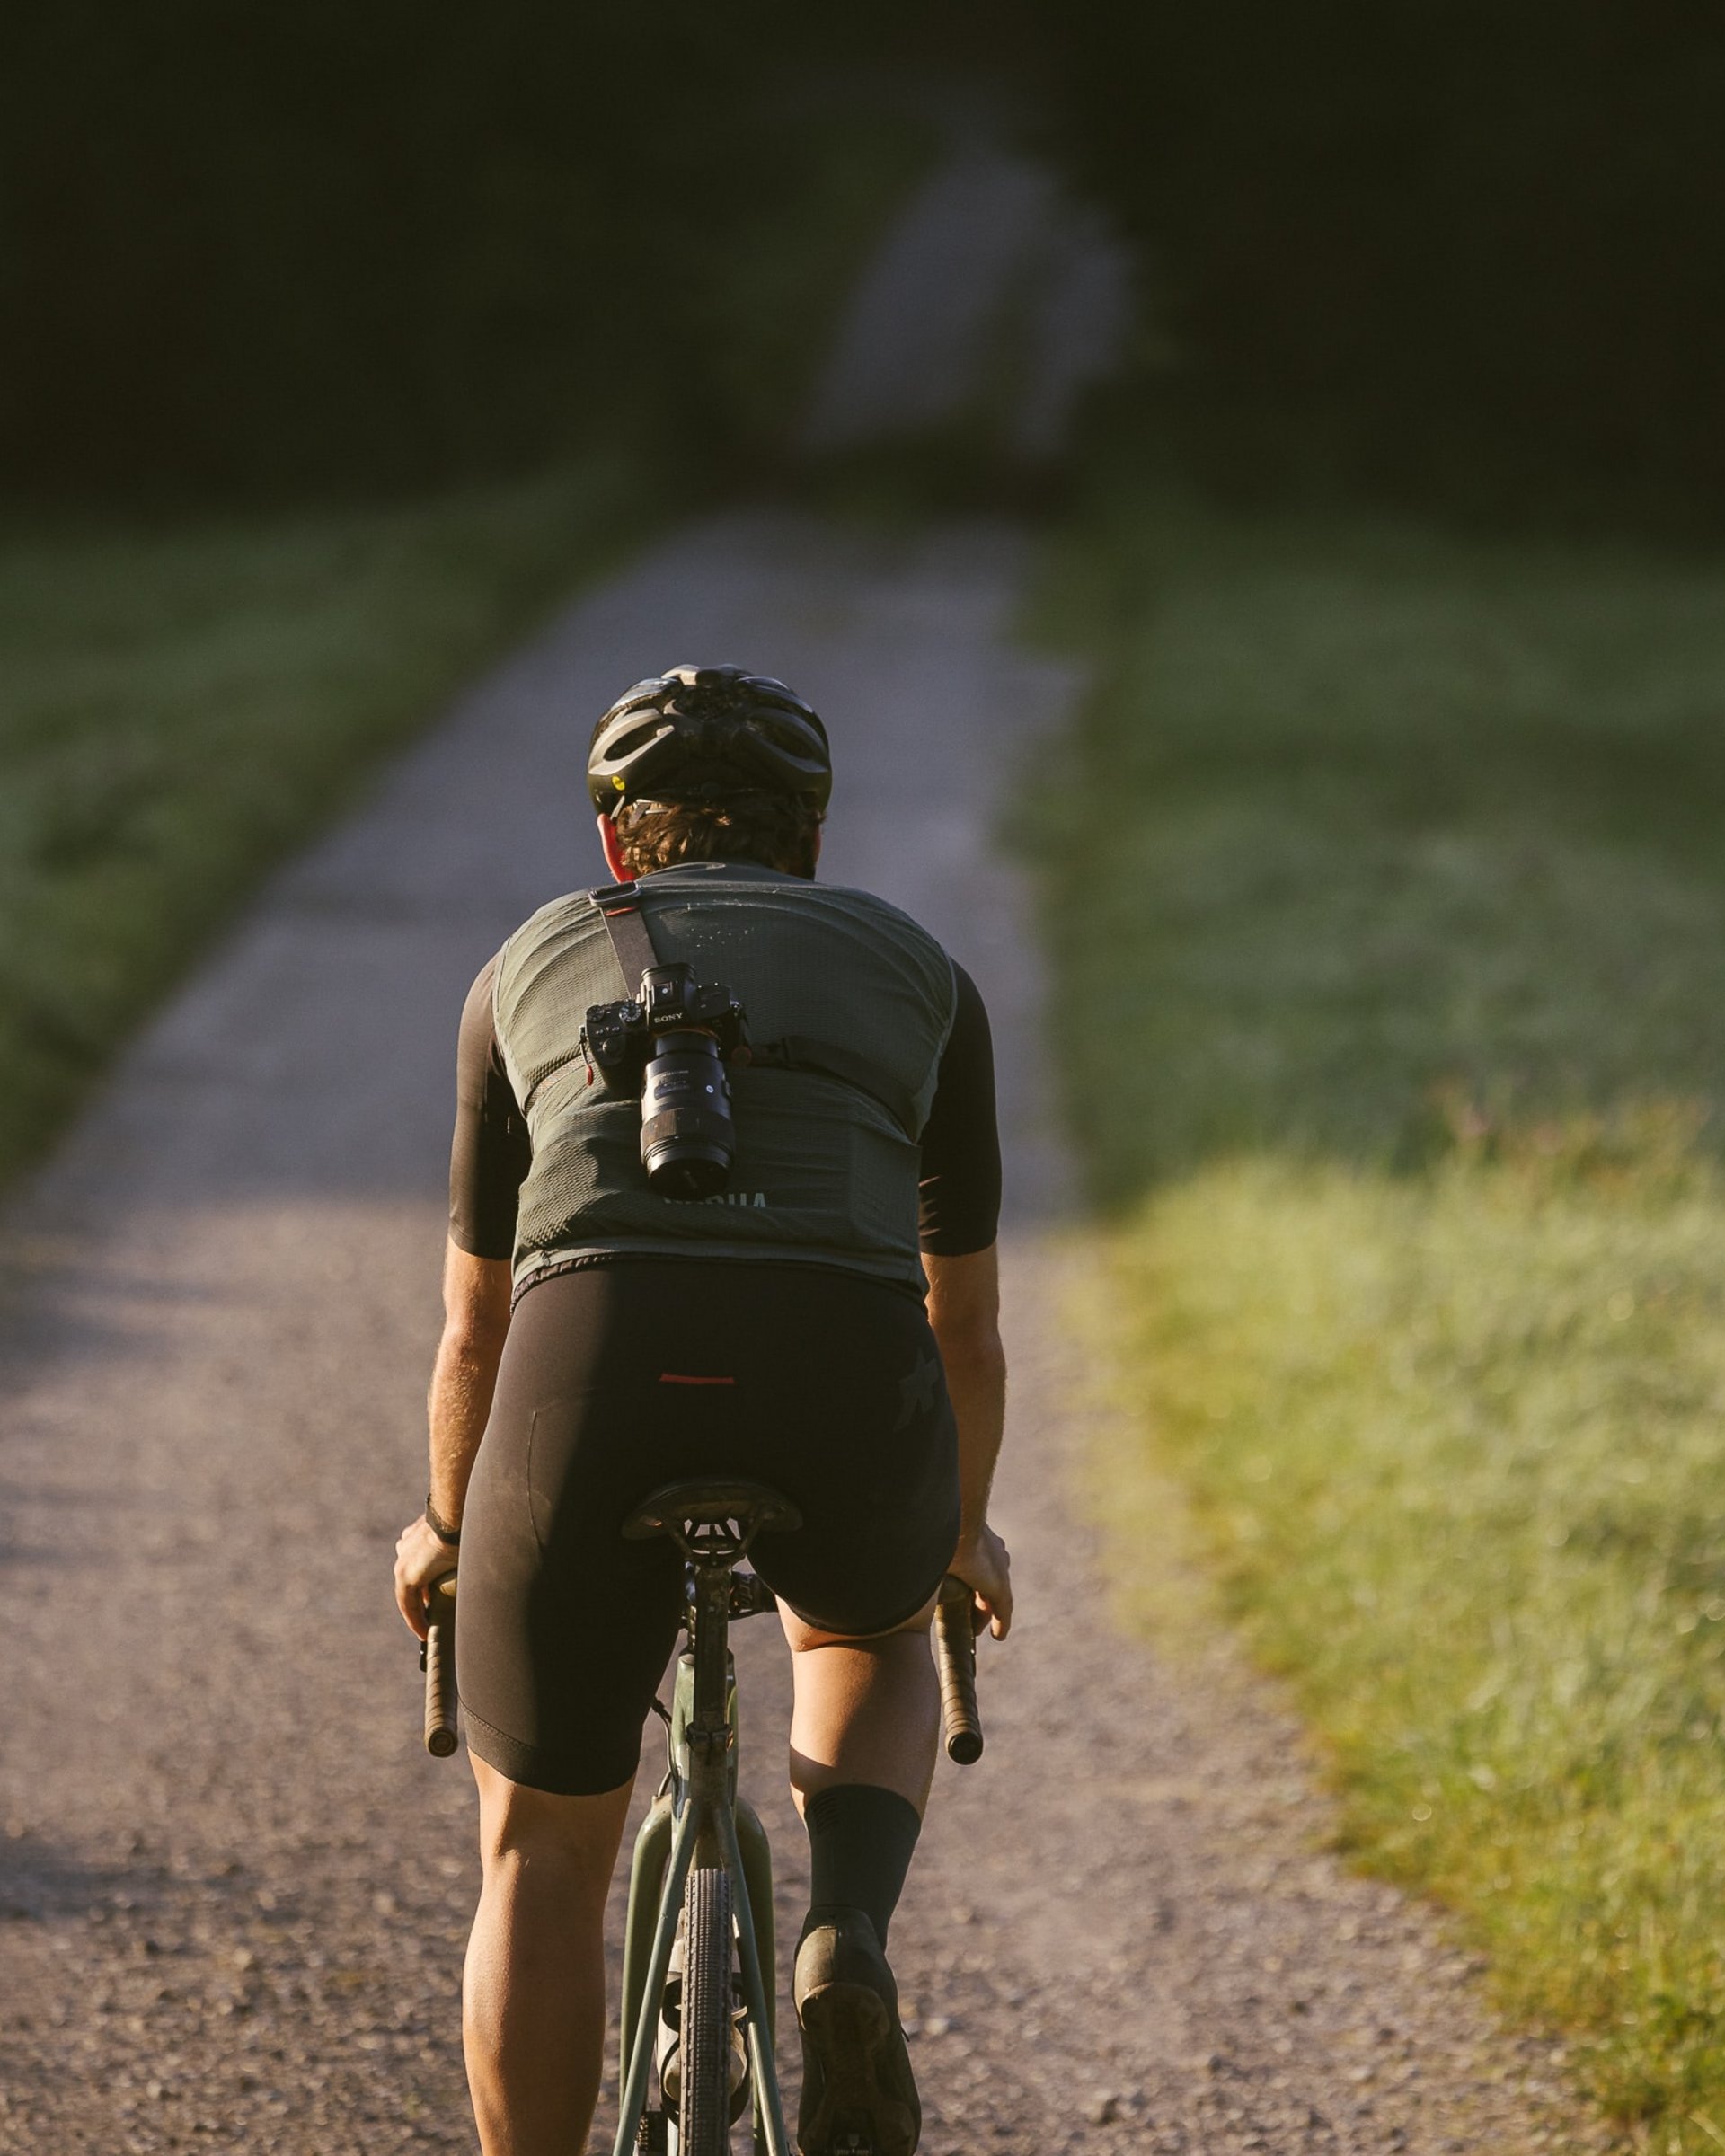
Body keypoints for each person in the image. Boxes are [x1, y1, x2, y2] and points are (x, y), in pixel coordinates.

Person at [394, 664, 1012, 2156]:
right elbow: (966, 1318)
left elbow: (475, 1325)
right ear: (808, 832)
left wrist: (443, 1524)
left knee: (539, 1850)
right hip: (841, 1371)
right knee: (861, 1633)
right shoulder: (919, 968)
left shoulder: (529, 961)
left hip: (585, 1371)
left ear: (618, 842)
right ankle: (844, 1932)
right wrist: (960, 1531)